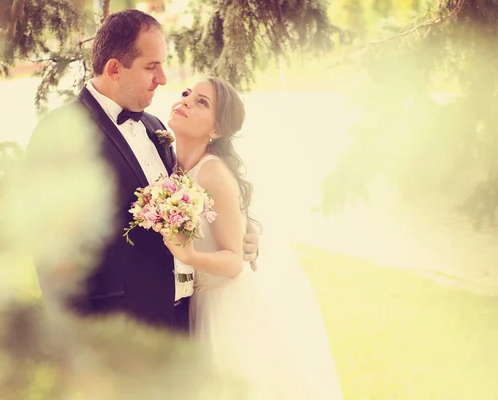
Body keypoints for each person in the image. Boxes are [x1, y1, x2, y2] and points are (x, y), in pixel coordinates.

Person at [25, 9, 258, 332]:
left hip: (183, 323)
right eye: (152, 67)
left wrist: (238, 237)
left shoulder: (156, 128)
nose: (163, 79)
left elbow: (190, 211)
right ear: (114, 69)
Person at [164, 77, 344, 398]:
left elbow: (234, 261)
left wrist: (189, 256)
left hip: (227, 304)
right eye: (187, 93)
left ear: (216, 131)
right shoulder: (170, 162)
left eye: (202, 102)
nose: (187, 101)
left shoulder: (212, 173)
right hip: (198, 300)